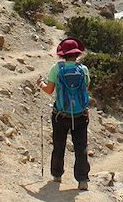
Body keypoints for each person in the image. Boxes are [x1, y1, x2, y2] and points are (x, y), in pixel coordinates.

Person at [37, 37, 91, 190]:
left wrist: (40, 84)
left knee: (59, 144)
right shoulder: (83, 69)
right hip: (80, 114)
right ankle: (82, 180)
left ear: (63, 54)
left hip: (61, 114)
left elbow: (49, 90)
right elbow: (85, 88)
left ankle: (57, 175)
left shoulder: (56, 68)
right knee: (81, 147)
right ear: (78, 53)